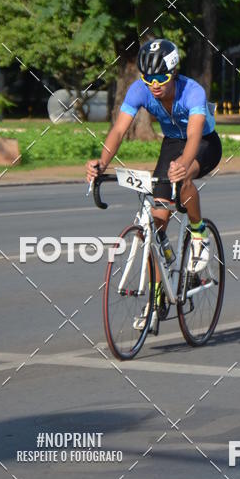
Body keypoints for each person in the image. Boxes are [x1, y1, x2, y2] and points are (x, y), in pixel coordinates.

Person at [86, 38, 222, 315]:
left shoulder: (192, 91)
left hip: (204, 143)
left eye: (161, 77)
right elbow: (119, 130)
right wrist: (101, 162)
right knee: (154, 225)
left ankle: (198, 235)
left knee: (181, 177)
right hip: (172, 142)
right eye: (149, 78)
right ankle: (159, 289)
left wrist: (184, 163)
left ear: (173, 73)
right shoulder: (139, 90)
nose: (154, 84)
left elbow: (195, 134)